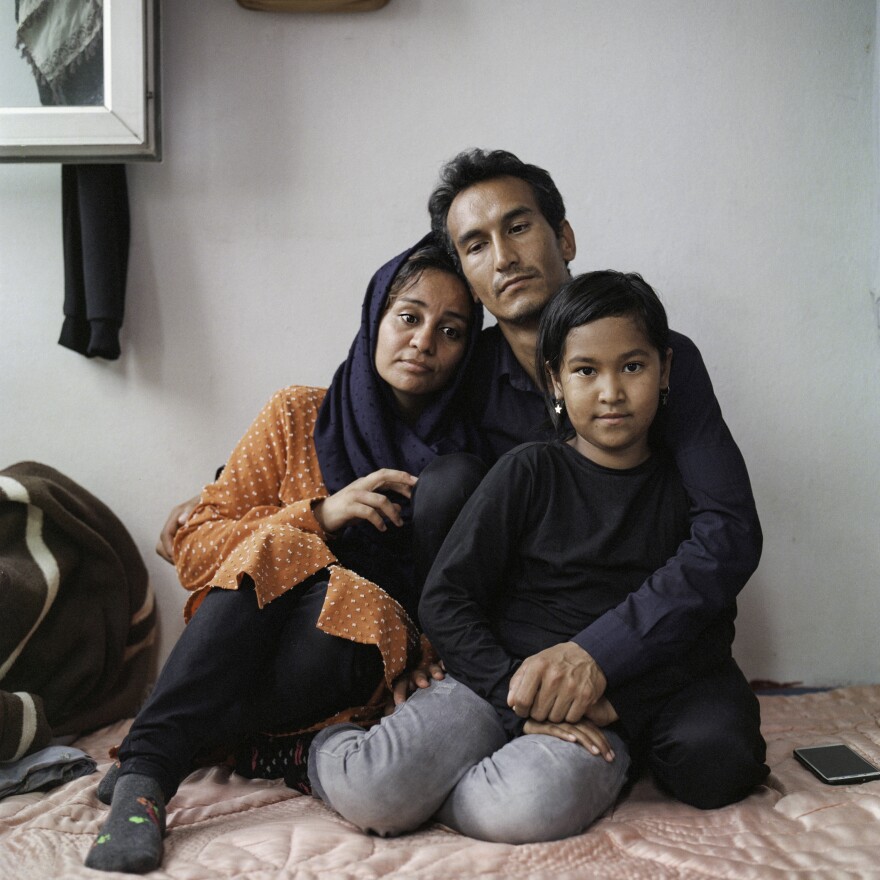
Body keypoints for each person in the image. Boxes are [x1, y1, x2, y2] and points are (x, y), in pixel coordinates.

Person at [157, 148, 767, 812]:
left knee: (715, 761)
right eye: (475, 245)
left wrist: (598, 656)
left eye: (519, 227)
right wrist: (222, 487)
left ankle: (601, 744)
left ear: (563, 236)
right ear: (465, 274)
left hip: (654, 636)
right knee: (442, 484)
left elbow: (728, 534)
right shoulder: (460, 370)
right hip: (518, 640)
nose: (503, 256)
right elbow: (368, 426)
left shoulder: (657, 358)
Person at [84, 237, 483, 874]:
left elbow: (469, 587)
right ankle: (148, 776)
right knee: (283, 543)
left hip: (356, 661)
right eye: (408, 316)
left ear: (467, 351)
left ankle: (157, 752)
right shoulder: (299, 414)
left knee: (346, 602)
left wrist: (427, 654)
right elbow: (192, 548)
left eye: (452, 330)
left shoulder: (472, 453)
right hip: (247, 636)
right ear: (375, 316)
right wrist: (320, 515)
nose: (424, 341)